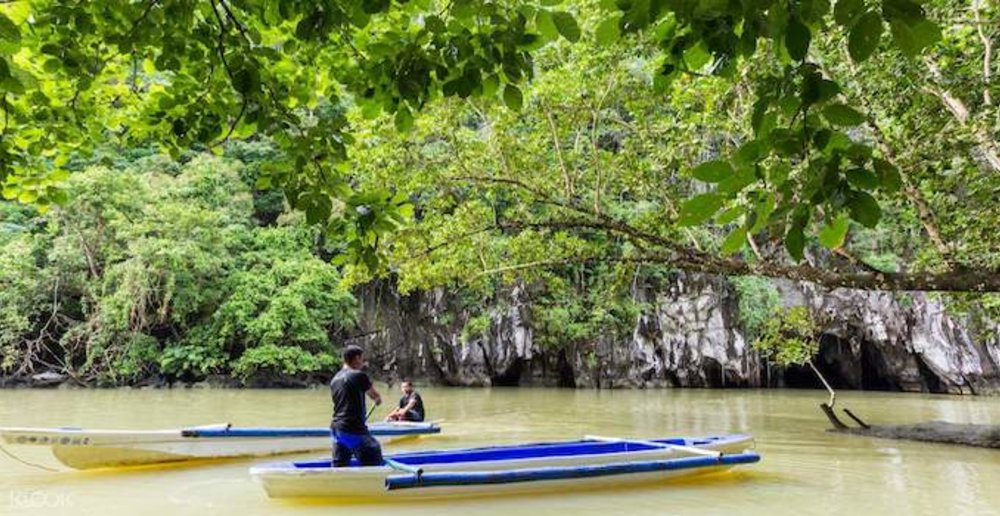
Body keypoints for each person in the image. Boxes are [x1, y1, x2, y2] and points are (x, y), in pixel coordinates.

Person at [329, 345, 383, 467]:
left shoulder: (334, 379)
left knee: (340, 465)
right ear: (357, 358)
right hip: (353, 429)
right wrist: (378, 399)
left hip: (336, 429)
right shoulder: (359, 375)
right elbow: (374, 395)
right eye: (362, 359)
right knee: (374, 452)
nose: (362, 363)